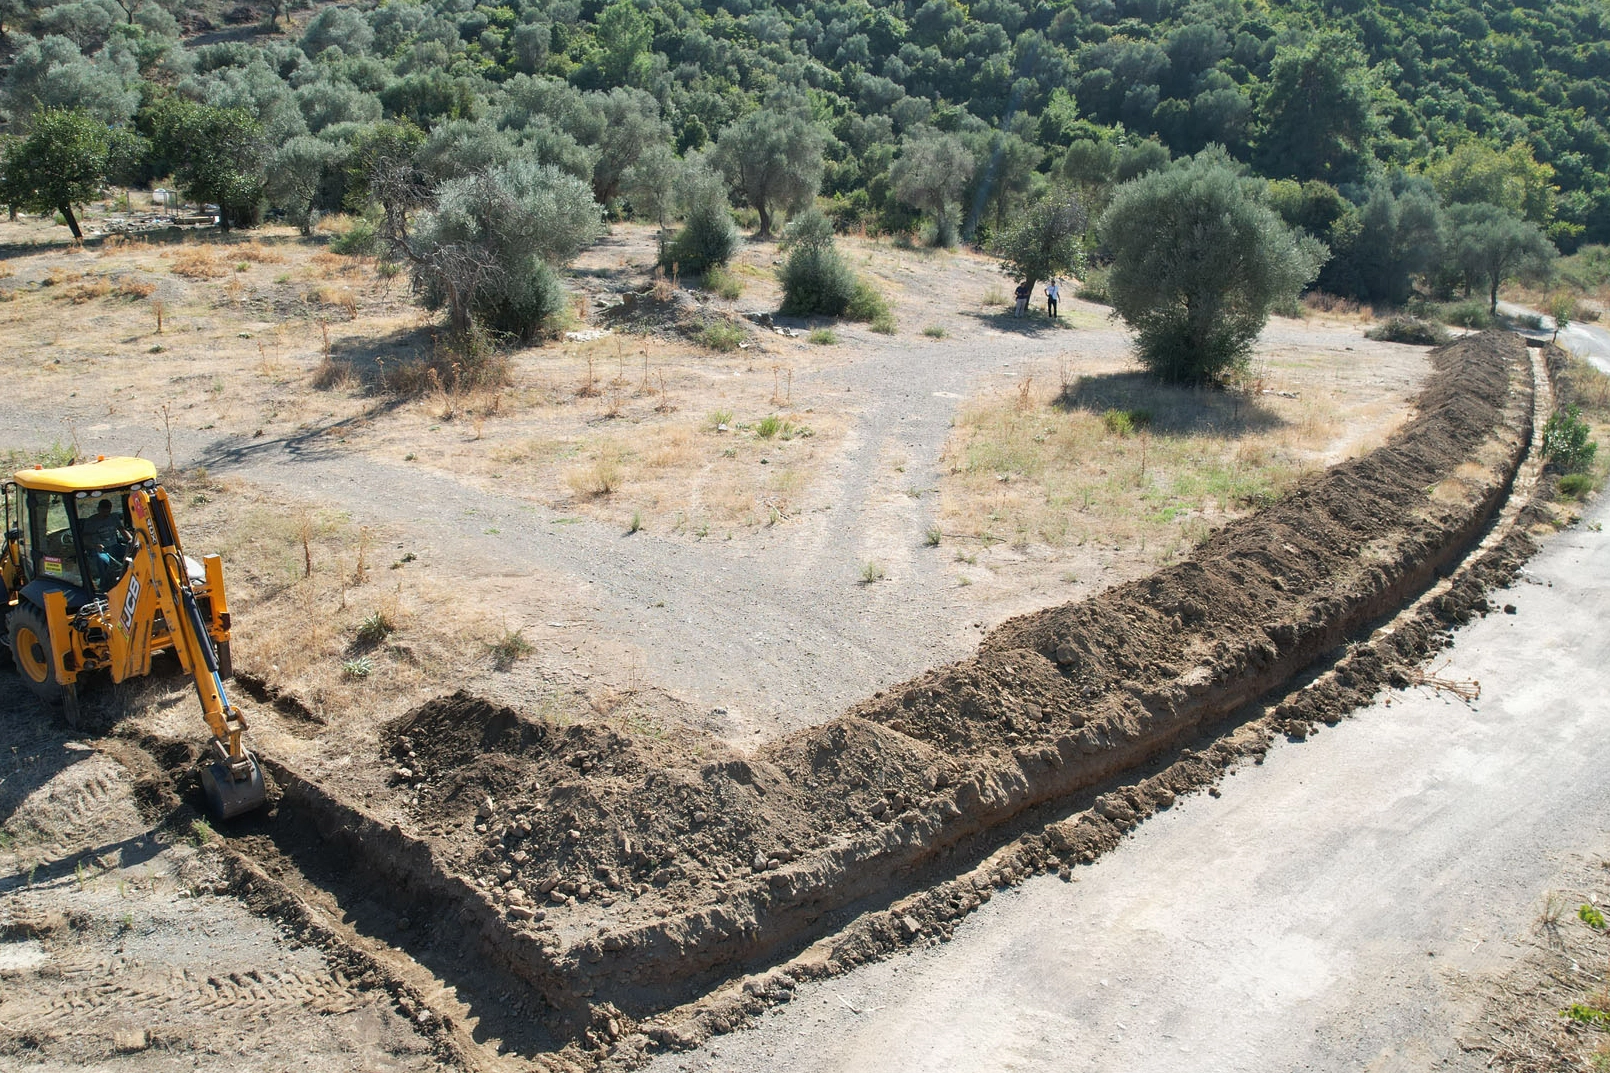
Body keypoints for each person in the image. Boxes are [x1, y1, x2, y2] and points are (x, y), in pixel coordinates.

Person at [81, 498, 130, 589]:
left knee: (132, 552)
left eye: (108, 511)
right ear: (99, 509)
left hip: (115, 546)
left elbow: (122, 530)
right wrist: (95, 546)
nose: (106, 514)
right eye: (104, 512)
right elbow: (85, 539)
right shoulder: (91, 521)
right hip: (100, 549)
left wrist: (132, 541)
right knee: (102, 560)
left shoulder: (113, 517)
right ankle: (105, 585)